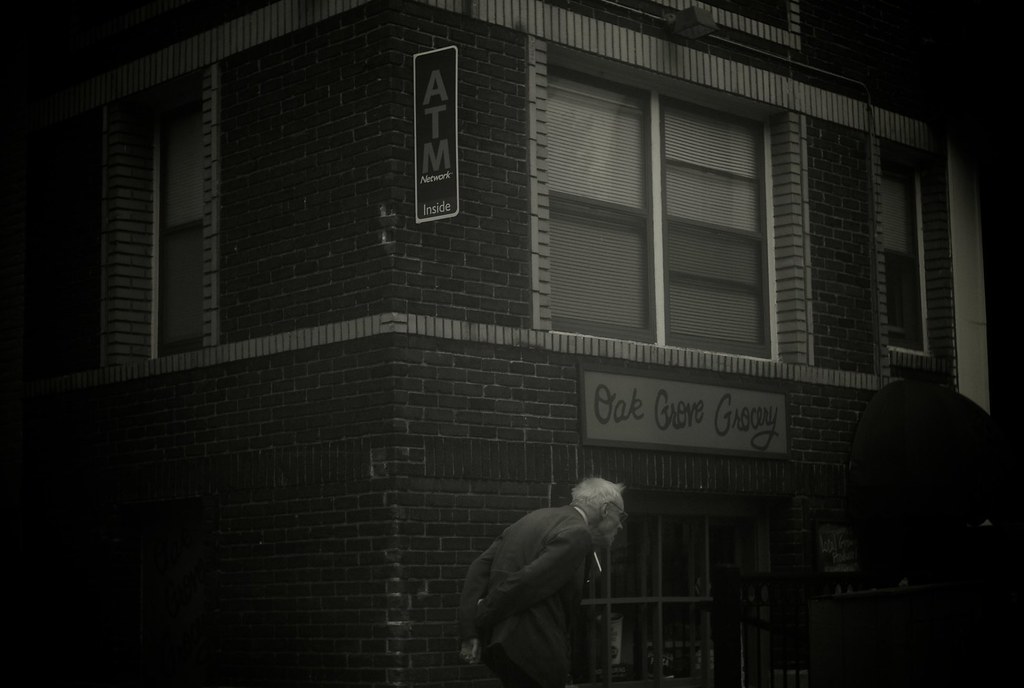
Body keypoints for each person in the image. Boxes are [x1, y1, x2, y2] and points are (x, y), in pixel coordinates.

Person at [457, 477, 627, 688]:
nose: (620, 525)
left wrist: (469, 630)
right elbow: (528, 582)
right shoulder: (578, 533)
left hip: (505, 648)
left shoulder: (529, 520)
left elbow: (479, 568)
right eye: (620, 515)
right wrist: (480, 616)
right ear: (604, 510)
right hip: (536, 653)